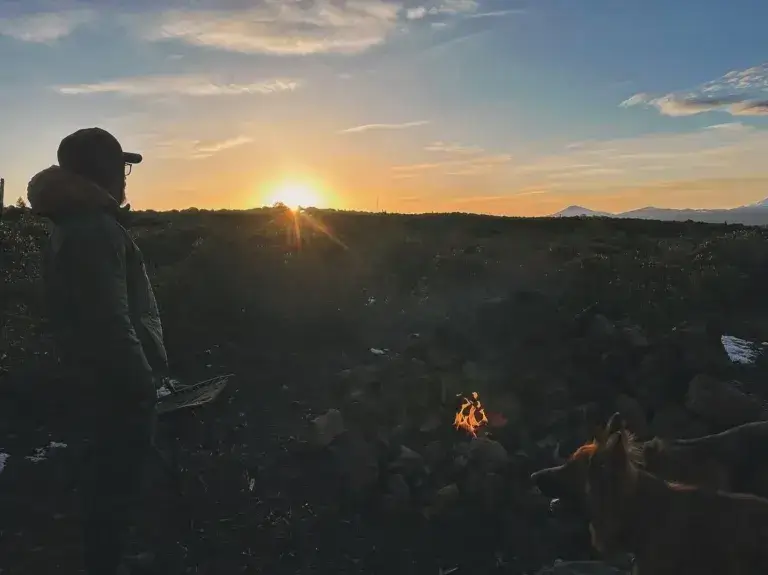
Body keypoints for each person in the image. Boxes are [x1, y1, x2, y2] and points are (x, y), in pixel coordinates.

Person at [26, 127, 168, 575]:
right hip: (115, 382)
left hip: (94, 375)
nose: (126, 177)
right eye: (121, 166)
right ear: (103, 170)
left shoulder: (80, 222)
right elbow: (110, 322)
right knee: (115, 480)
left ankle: (107, 557)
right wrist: (140, 384)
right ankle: (106, 564)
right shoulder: (94, 229)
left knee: (105, 476)